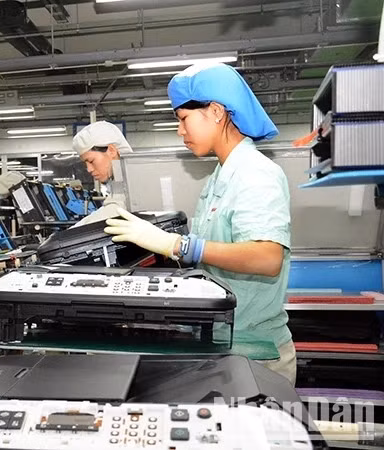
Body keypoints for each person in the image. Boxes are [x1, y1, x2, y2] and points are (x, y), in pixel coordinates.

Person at [104, 62, 295, 384]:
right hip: (226, 344)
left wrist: (178, 246)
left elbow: (267, 258)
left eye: (183, 119)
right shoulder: (220, 176)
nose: (180, 131)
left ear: (216, 112)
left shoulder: (255, 174)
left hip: (255, 356)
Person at [70, 121, 133, 227]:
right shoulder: (118, 181)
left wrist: (69, 234)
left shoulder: (134, 180)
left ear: (112, 151)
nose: (89, 169)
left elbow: (115, 211)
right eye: (85, 163)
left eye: (91, 161)